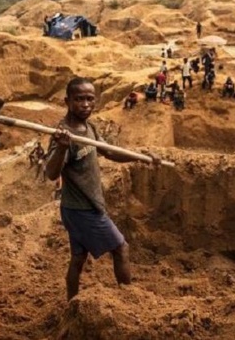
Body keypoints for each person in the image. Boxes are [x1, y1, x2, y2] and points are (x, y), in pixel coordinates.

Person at [44, 77, 160, 301]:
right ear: (67, 101)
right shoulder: (64, 135)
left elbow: (109, 152)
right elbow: (51, 173)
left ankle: (71, 303)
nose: (85, 104)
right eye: (79, 99)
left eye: (90, 99)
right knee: (121, 248)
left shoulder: (88, 127)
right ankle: (129, 301)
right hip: (82, 210)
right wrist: (61, 149)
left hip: (79, 208)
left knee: (78, 259)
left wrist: (143, 158)